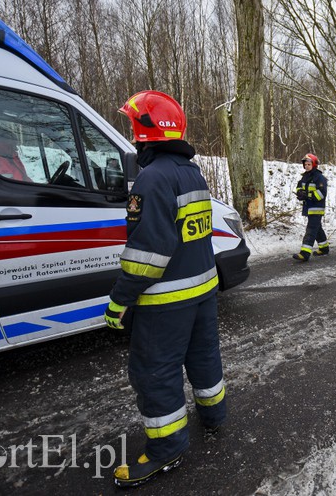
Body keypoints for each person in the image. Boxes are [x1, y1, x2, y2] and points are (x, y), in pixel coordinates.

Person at [104, 91, 226, 488]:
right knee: (204, 355)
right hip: (203, 291)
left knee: (155, 372)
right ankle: (214, 415)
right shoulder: (192, 172)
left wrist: (120, 299)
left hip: (167, 299)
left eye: (133, 126)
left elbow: (148, 255)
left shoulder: (152, 178)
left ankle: (166, 449)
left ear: (143, 132)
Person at [293, 153, 329, 261]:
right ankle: (324, 248)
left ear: (314, 165)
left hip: (316, 207)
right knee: (317, 228)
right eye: (305, 164)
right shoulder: (304, 177)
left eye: (309, 164)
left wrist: (308, 195)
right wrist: (300, 193)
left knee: (311, 228)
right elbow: (299, 187)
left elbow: (322, 193)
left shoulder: (319, 177)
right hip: (309, 207)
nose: (307, 166)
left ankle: (305, 253)